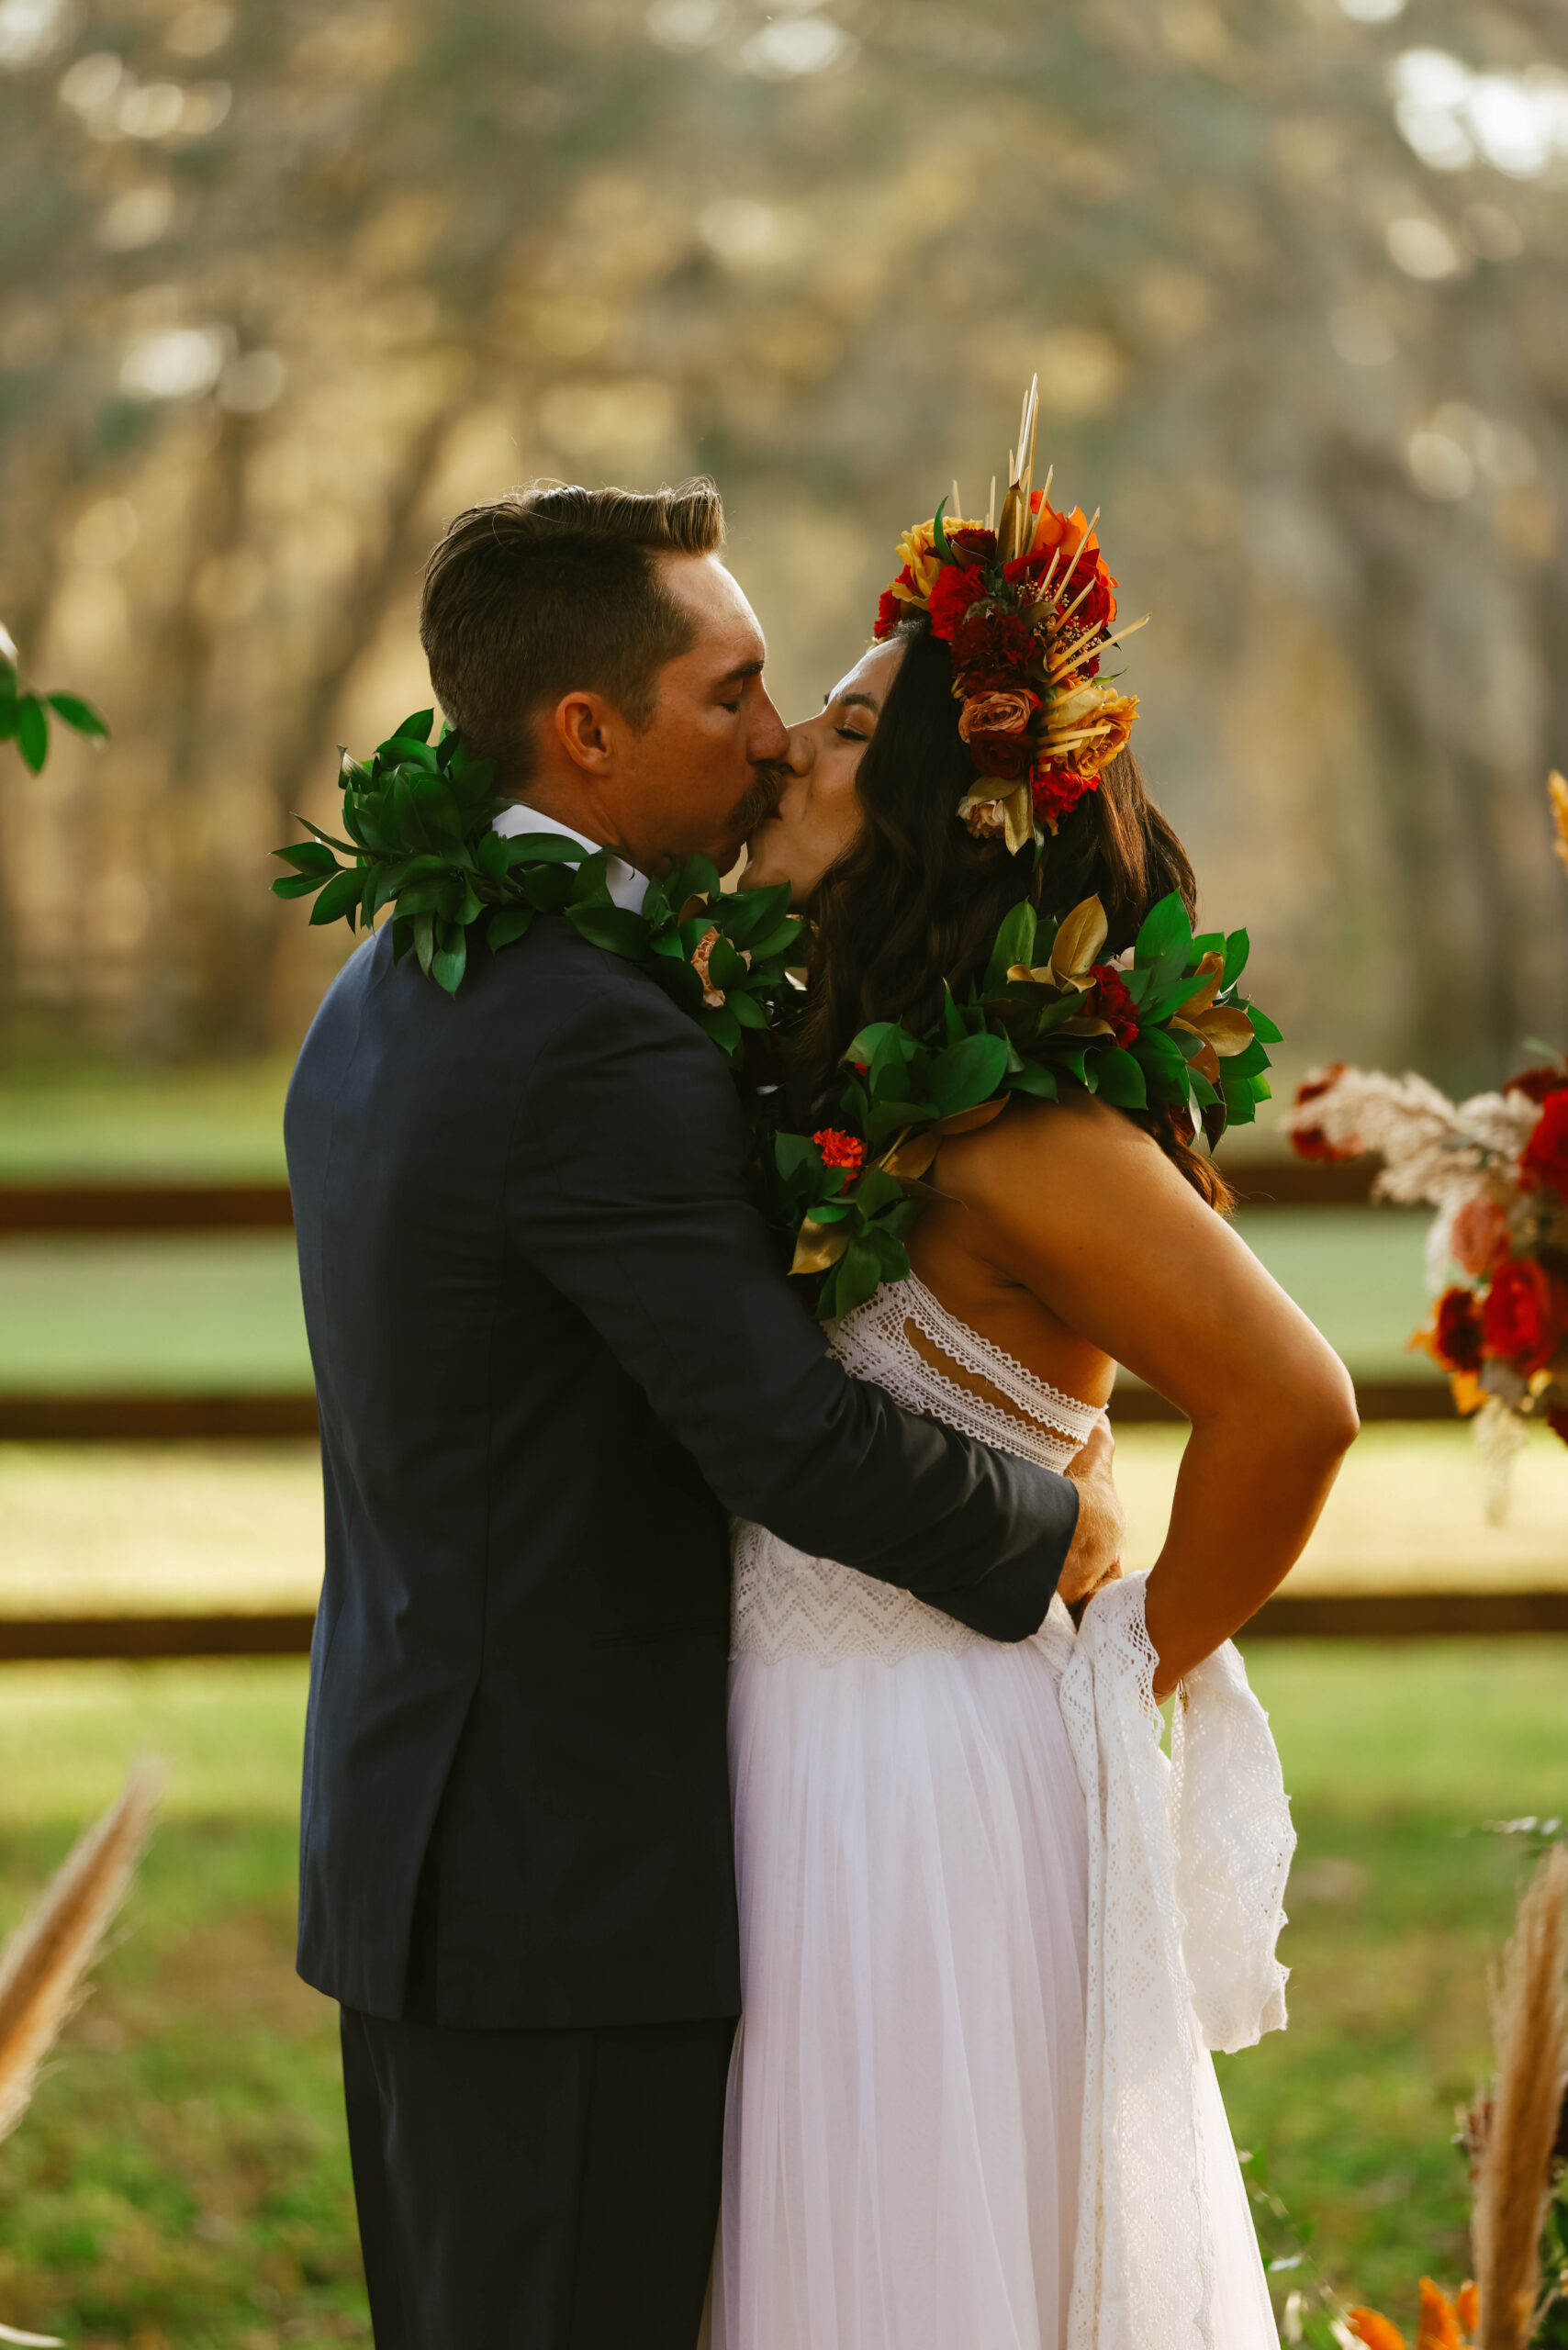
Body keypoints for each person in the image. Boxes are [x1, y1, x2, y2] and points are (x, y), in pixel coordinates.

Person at [282, 479, 1124, 2350]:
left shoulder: (394, 979)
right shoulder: (588, 1025)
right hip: (564, 1885)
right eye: (729, 690)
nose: (767, 735)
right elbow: (779, 1437)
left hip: (425, 1844)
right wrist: (1041, 1527)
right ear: (585, 731)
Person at [710, 547, 1359, 2346]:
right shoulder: (836, 1084)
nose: (784, 753)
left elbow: (1291, 1401)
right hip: (777, 1756)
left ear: (939, 814)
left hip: (925, 1777)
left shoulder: (1020, 1133)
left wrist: (1136, 1651)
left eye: (839, 730)